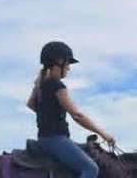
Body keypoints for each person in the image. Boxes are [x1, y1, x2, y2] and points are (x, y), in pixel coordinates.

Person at [27, 41, 118, 178]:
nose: (69, 68)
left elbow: (31, 105)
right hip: (56, 140)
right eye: (68, 63)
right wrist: (104, 134)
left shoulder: (41, 85)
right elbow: (77, 115)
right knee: (91, 168)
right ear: (58, 61)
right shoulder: (57, 86)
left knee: (90, 151)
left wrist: (48, 113)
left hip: (44, 140)